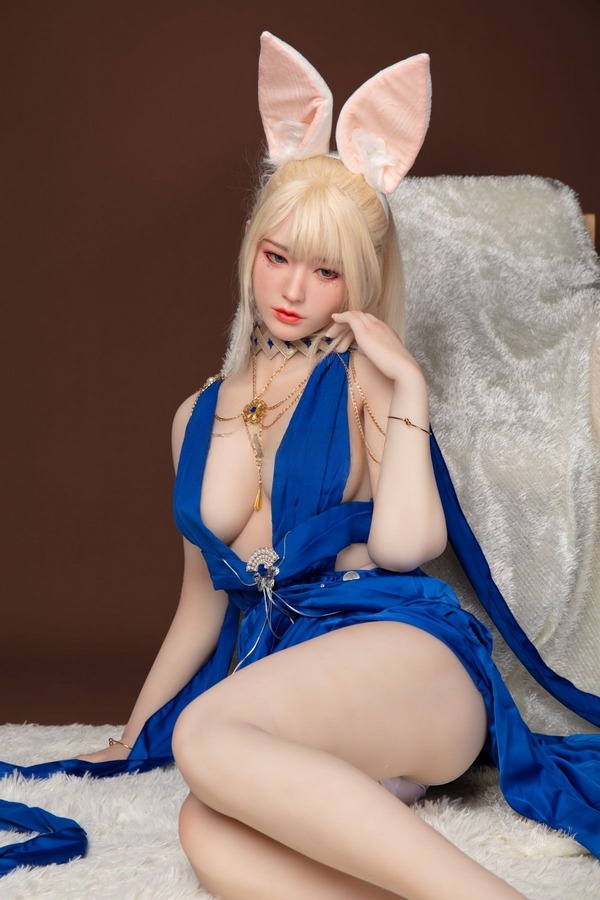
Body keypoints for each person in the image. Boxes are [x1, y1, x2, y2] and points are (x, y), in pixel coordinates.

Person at [1, 31, 600, 897]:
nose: (291, 290)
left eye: (325, 272)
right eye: (277, 257)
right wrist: (133, 735)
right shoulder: (195, 416)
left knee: (207, 739)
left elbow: (406, 546)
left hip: (407, 660)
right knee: (207, 830)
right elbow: (201, 604)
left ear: (360, 281)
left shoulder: (363, 380)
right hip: (297, 695)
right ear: (250, 249)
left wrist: (409, 387)